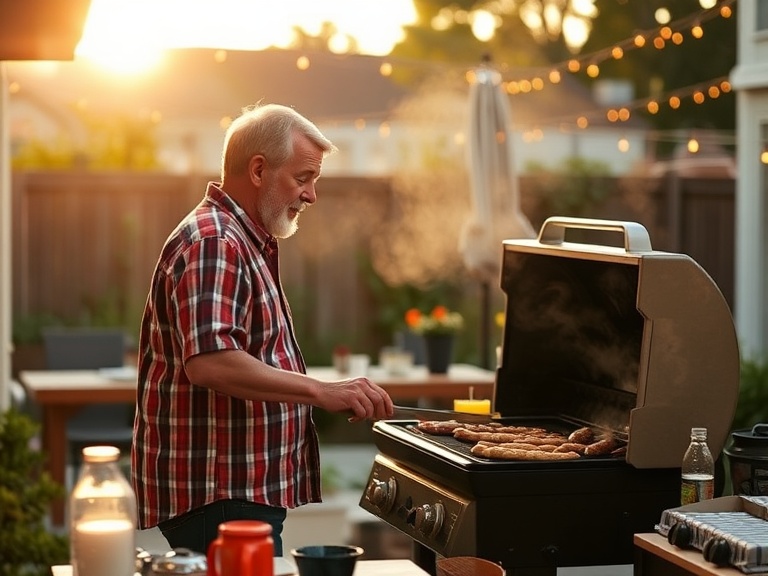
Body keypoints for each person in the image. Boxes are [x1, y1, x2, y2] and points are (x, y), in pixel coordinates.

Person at [131, 103, 394, 555]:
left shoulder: (239, 236)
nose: (310, 195)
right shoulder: (216, 241)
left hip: (233, 492)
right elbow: (211, 363)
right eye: (303, 177)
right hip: (220, 495)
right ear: (258, 170)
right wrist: (321, 391)